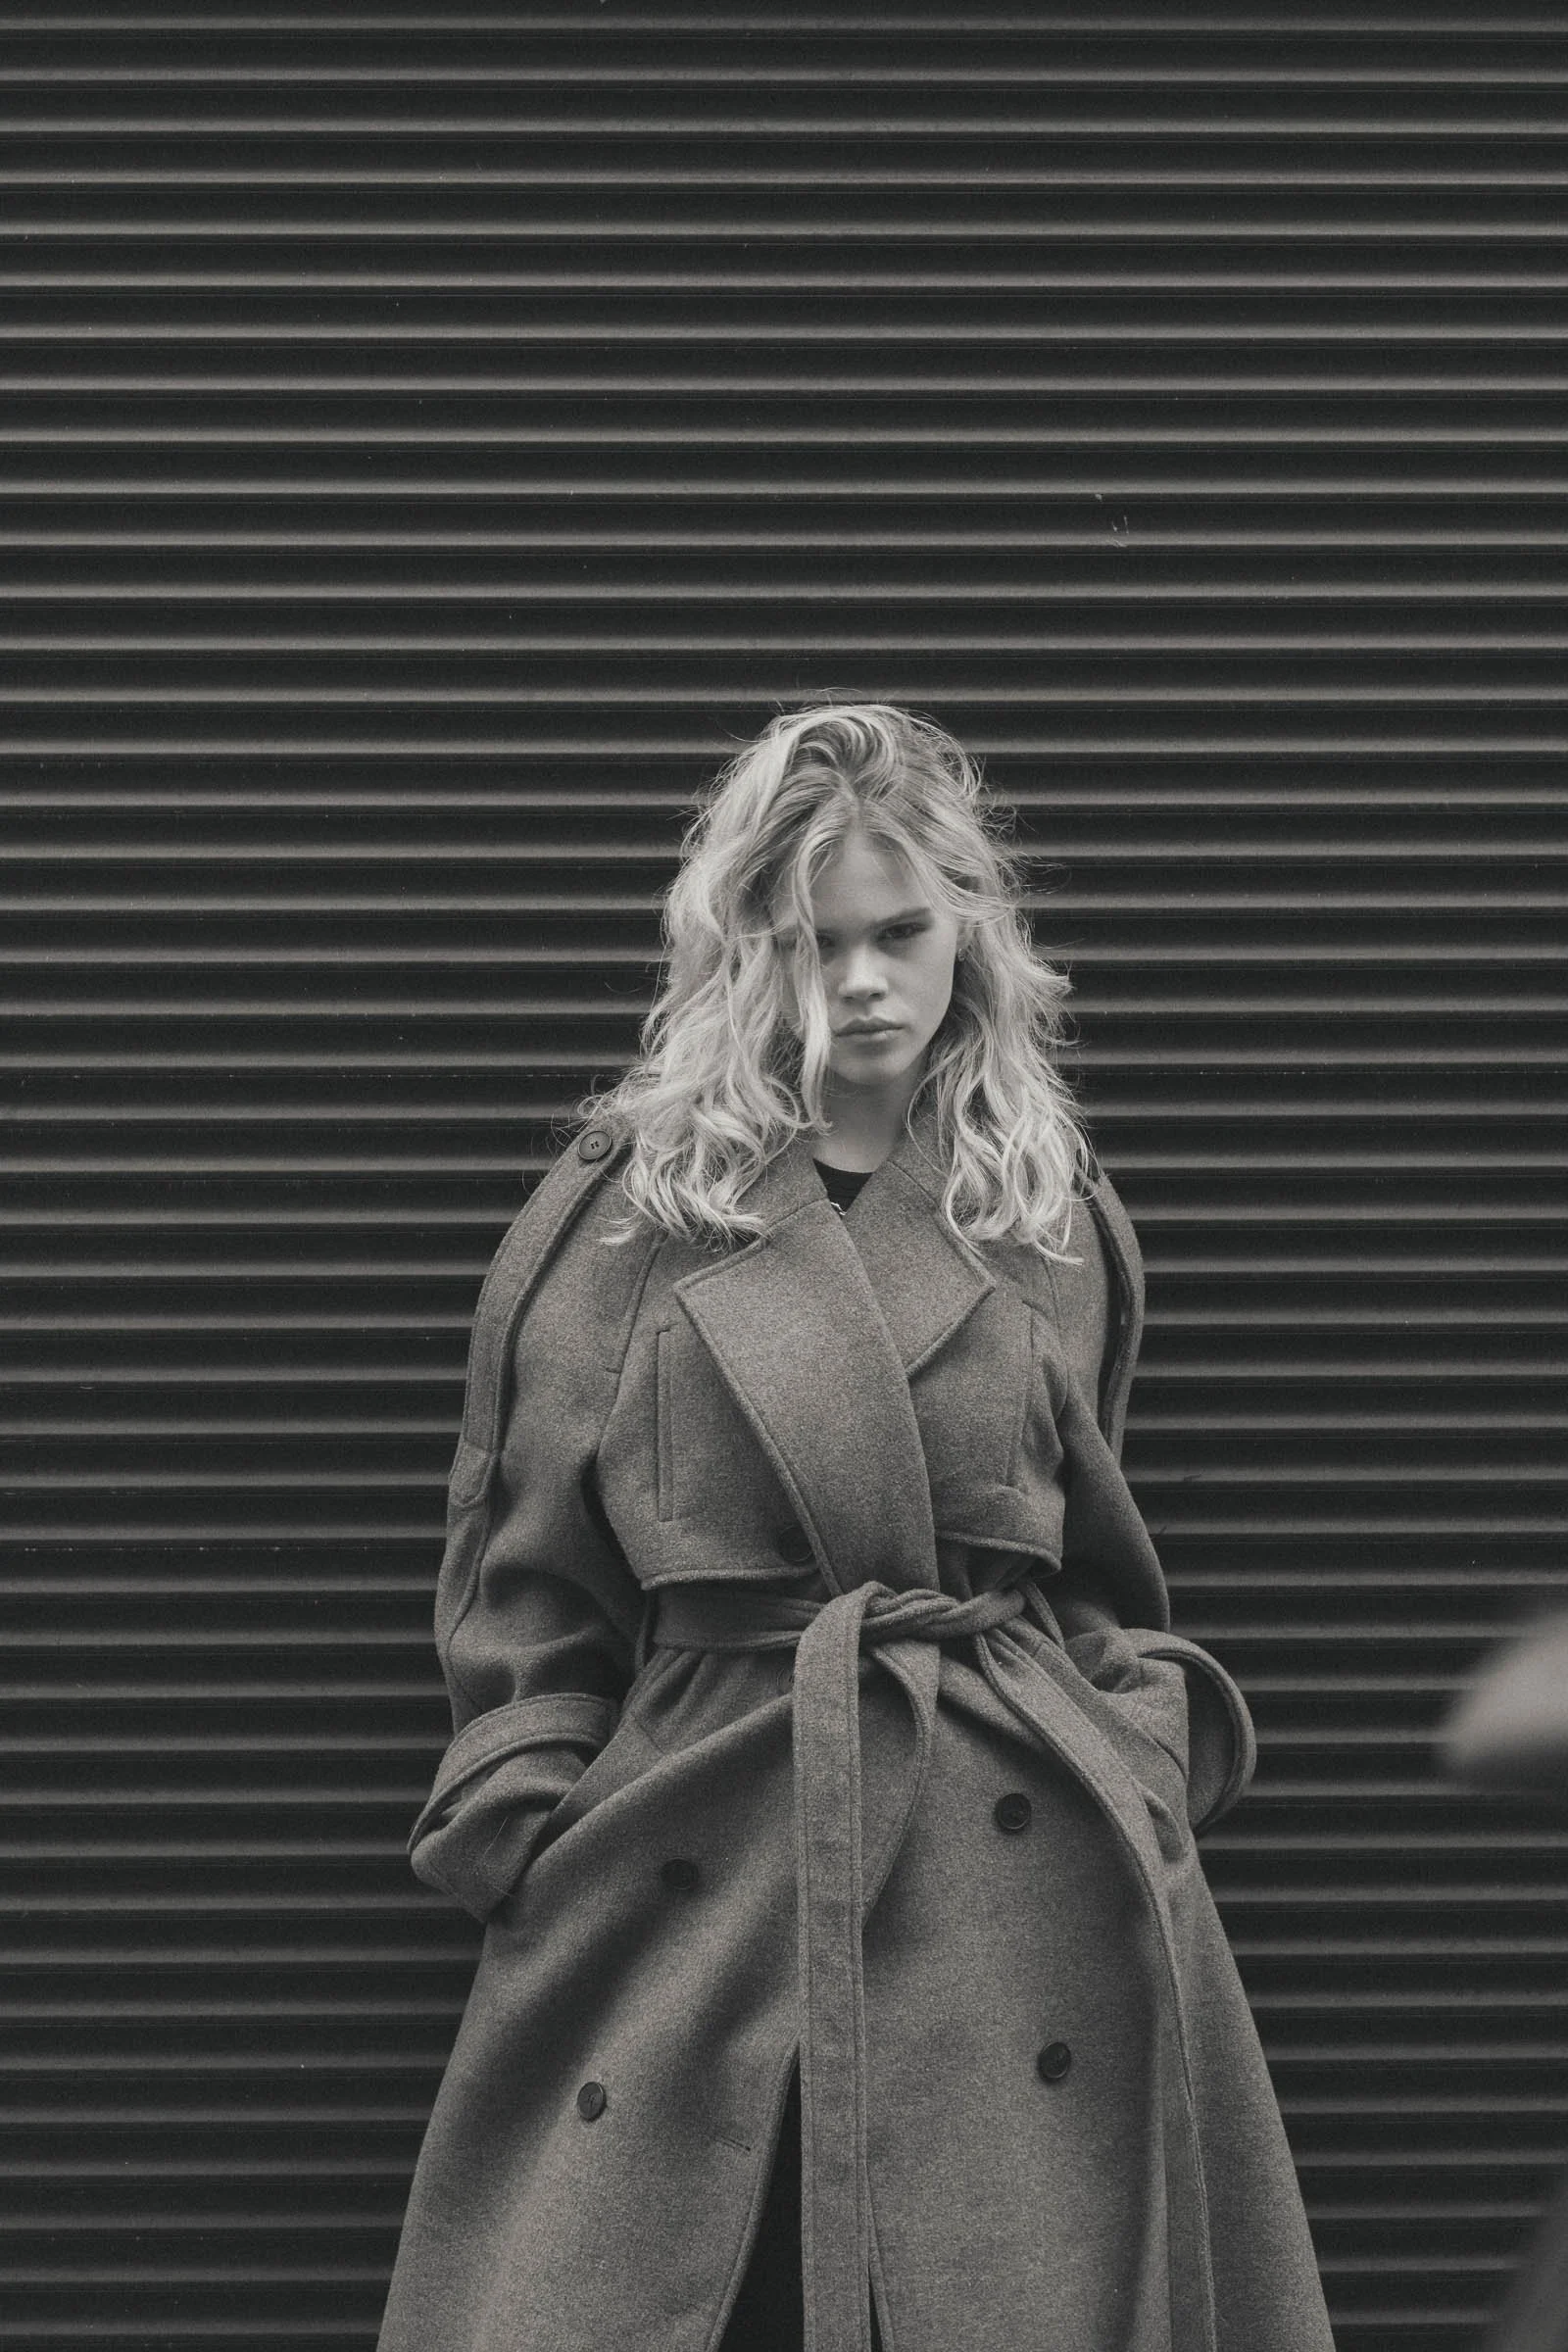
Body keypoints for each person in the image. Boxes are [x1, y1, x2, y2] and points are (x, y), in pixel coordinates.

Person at [376, 704, 1336, 2352]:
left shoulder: (1041, 1204)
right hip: (705, 1859)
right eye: (815, 943)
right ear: (749, 951)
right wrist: (536, 1815)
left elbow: (1096, 1564)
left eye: (901, 933)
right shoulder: (628, 1219)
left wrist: (1140, 1738)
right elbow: (529, 1581)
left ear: (969, 925)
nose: (864, 981)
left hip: (1016, 1872)